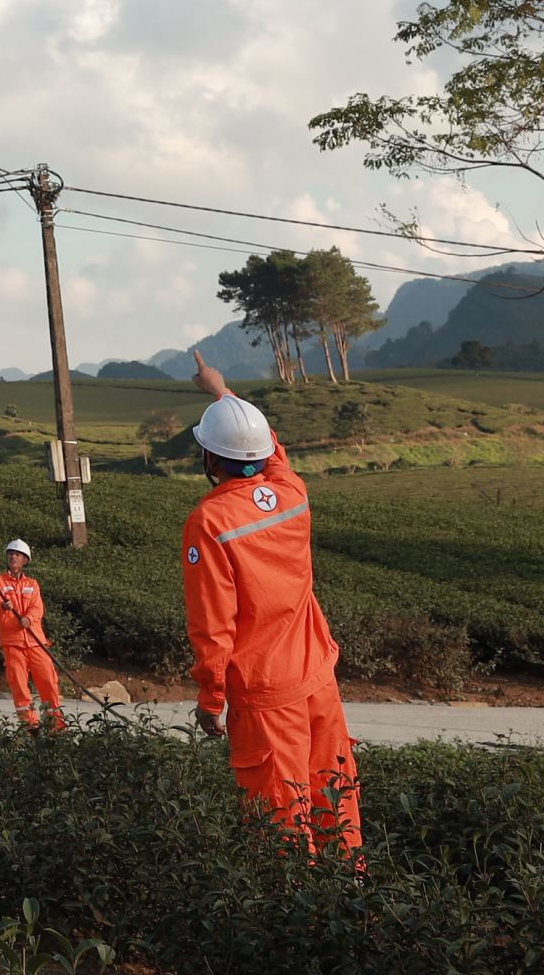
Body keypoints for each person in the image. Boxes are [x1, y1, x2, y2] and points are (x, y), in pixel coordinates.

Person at [182, 351, 363, 853]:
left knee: (282, 826)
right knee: (336, 805)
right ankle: (355, 911)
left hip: (265, 694)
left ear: (209, 460)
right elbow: (268, 450)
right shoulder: (292, 491)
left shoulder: (210, 523)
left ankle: (294, 927)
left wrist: (210, 700)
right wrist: (223, 392)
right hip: (317, 679)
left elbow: (213, 625)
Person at [0, 537, 63, 730]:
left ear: (25, 560)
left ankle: (56, 726)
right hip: (13, 643)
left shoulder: (32, 583)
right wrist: (5, 606)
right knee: (19, 686)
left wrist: (28, 619)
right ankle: (30, 727)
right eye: (11, 554)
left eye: (18, 554)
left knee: (48, 681)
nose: (13, 557)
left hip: (36, 641)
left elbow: (38, 608)